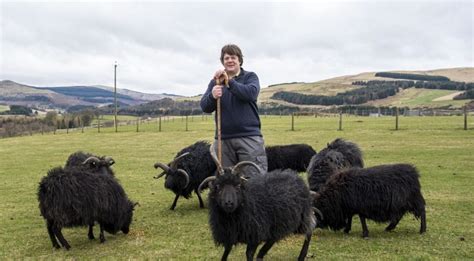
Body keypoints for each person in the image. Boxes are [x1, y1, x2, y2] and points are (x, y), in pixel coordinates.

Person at [200, 44, 267, 178]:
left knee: (253, 179)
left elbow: (250, 94)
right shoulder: (215, 82)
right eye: (226, 58)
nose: (230, 60)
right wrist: (212, 96)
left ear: (239, 60)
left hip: (249, 138)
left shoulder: (250, 77)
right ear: (222, 62)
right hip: (223, 140)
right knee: (227, 182)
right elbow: (205, 107)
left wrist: (229, 82)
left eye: (233, 57)